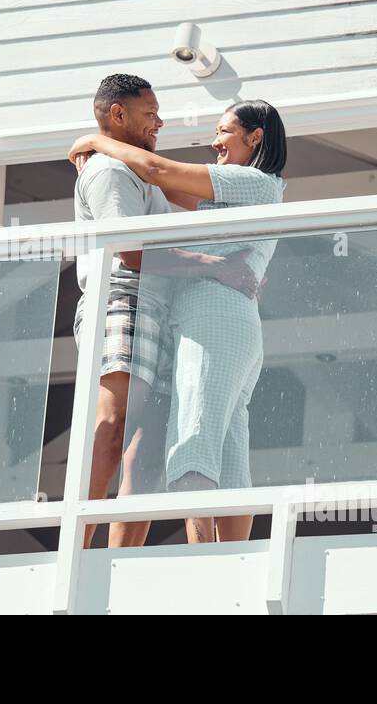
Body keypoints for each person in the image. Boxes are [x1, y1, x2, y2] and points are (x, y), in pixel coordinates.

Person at [70, 99, 287, 545]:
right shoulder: (236, 194)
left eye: (225, 131)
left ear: (255, 137)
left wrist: (97, 140)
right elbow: (164, 189)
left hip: (214, 319)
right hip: (228, 323)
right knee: (228, 451)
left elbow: (158, 172)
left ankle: (205, 562)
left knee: (194, 440)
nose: (215, 141)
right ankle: (233, 563)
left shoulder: (253, 182)